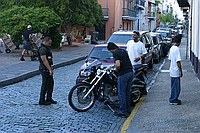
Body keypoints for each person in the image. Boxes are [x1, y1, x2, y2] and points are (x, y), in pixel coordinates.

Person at [107, 42, 133, 118]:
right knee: (127, 92)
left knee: (121, 93)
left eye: (110, 51)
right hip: (130, 72)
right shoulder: (123, 51)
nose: (110, 52)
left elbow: (118, 65)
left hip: (123, 74)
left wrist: (115, 69)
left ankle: (123, 112)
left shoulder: (115, 53)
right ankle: (128, 110)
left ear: (111, 49)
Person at [38, 36, 57, 105]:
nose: (50, 45)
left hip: (47, 68)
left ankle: (49, 98)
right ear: (45, 41)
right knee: (45, 84)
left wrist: (50, 68)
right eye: (49, 43)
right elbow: (44, 60)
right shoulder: (42, 49)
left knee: (50, 83)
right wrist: (49, 69)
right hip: (44, 69)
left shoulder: (46, 48)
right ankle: (42, 100)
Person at [168, 35, 183, 105]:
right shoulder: (177, 49)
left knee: (173, 86)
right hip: (176, 70)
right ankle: (174, 99)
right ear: (179, 42)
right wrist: (180, 71)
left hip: (171, 69)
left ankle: (173, 98)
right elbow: (178, 61)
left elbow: (170, 59)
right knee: (176, 87)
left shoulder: (171, 48)